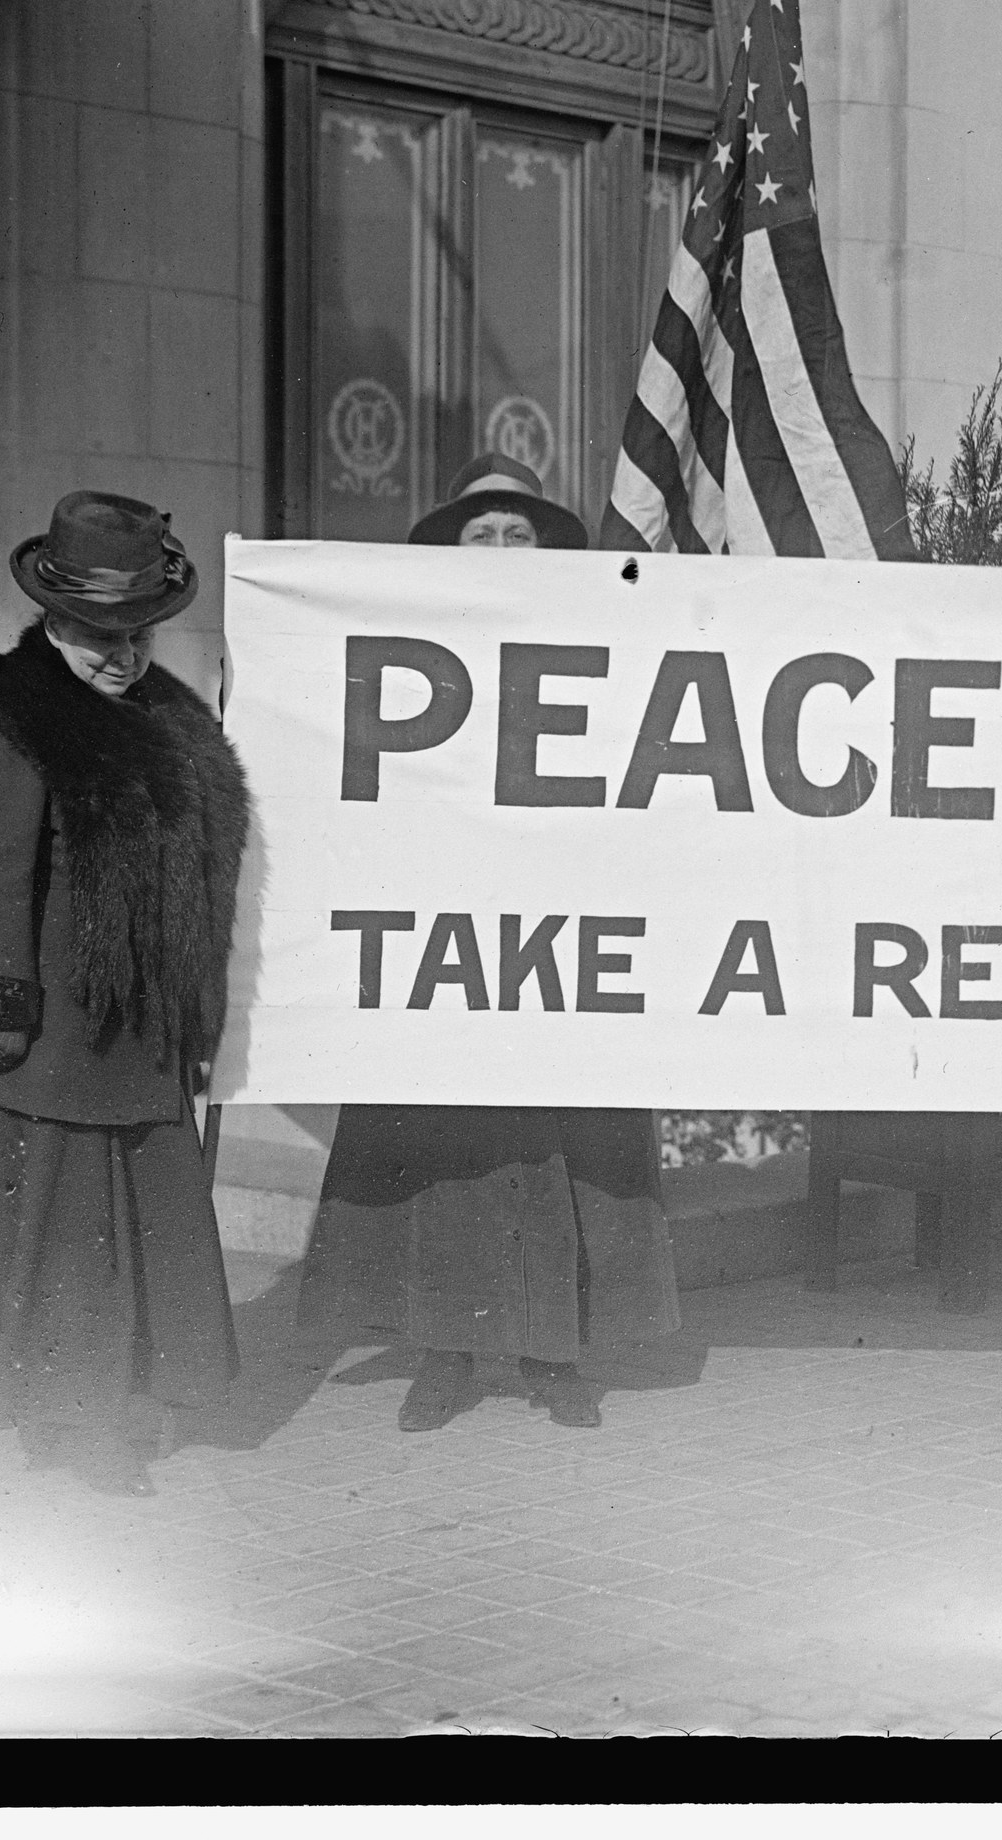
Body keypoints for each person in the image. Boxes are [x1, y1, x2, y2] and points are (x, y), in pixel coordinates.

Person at [0, 492, 250, 1496]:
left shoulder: (168, 716)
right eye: (98, 635)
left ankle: (116, 1394)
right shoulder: (16, 723)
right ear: (53, 620)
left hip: (142, 1015)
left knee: (142, 1209)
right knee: (69, 1220)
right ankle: (77, 1429)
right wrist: (5, 1017)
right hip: (52, 1013)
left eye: (139, 634)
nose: (121, 654)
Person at [296, 453, 684, 1430]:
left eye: (520, 532)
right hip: (447, 940)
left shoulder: (599, 650)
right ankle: (447, 1355)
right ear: (453, 548)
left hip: (561, 940)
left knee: (565, 1146)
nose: (504, 545)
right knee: (448, 1150)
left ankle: (557, 1357)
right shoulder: (402, 655)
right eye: (485, 532)